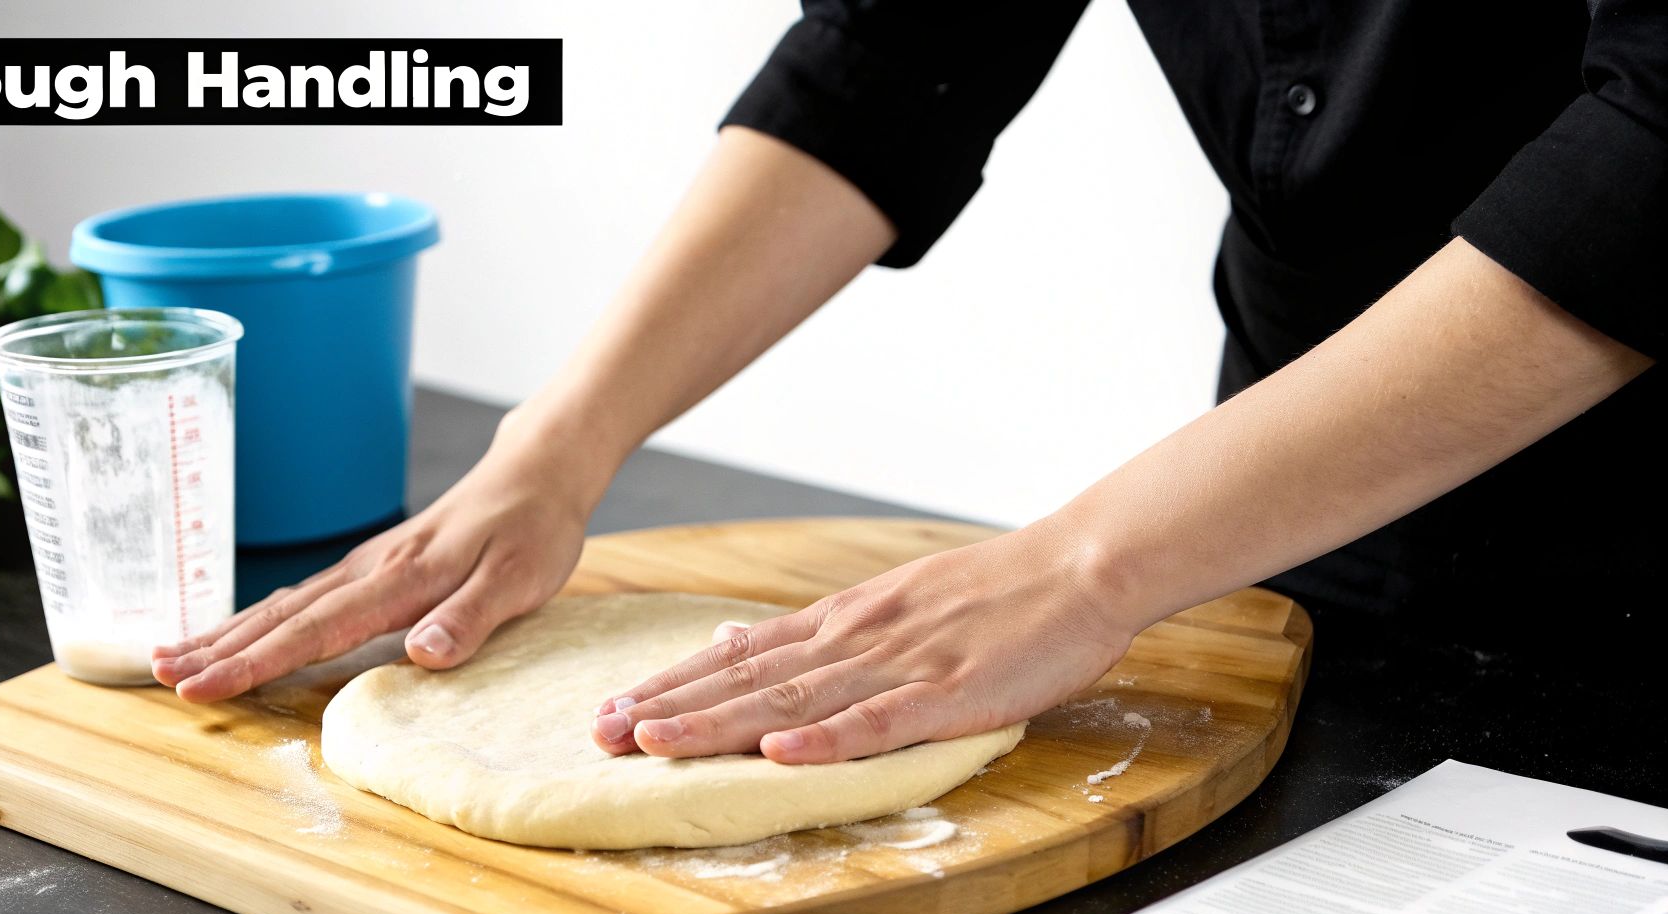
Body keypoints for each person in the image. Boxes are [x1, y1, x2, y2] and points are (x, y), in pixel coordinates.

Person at [152, 3, 1662, 765]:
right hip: (1292, 534)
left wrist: (1081, 565)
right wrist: (552, 446)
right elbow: (892, 58)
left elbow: (1656, 150)